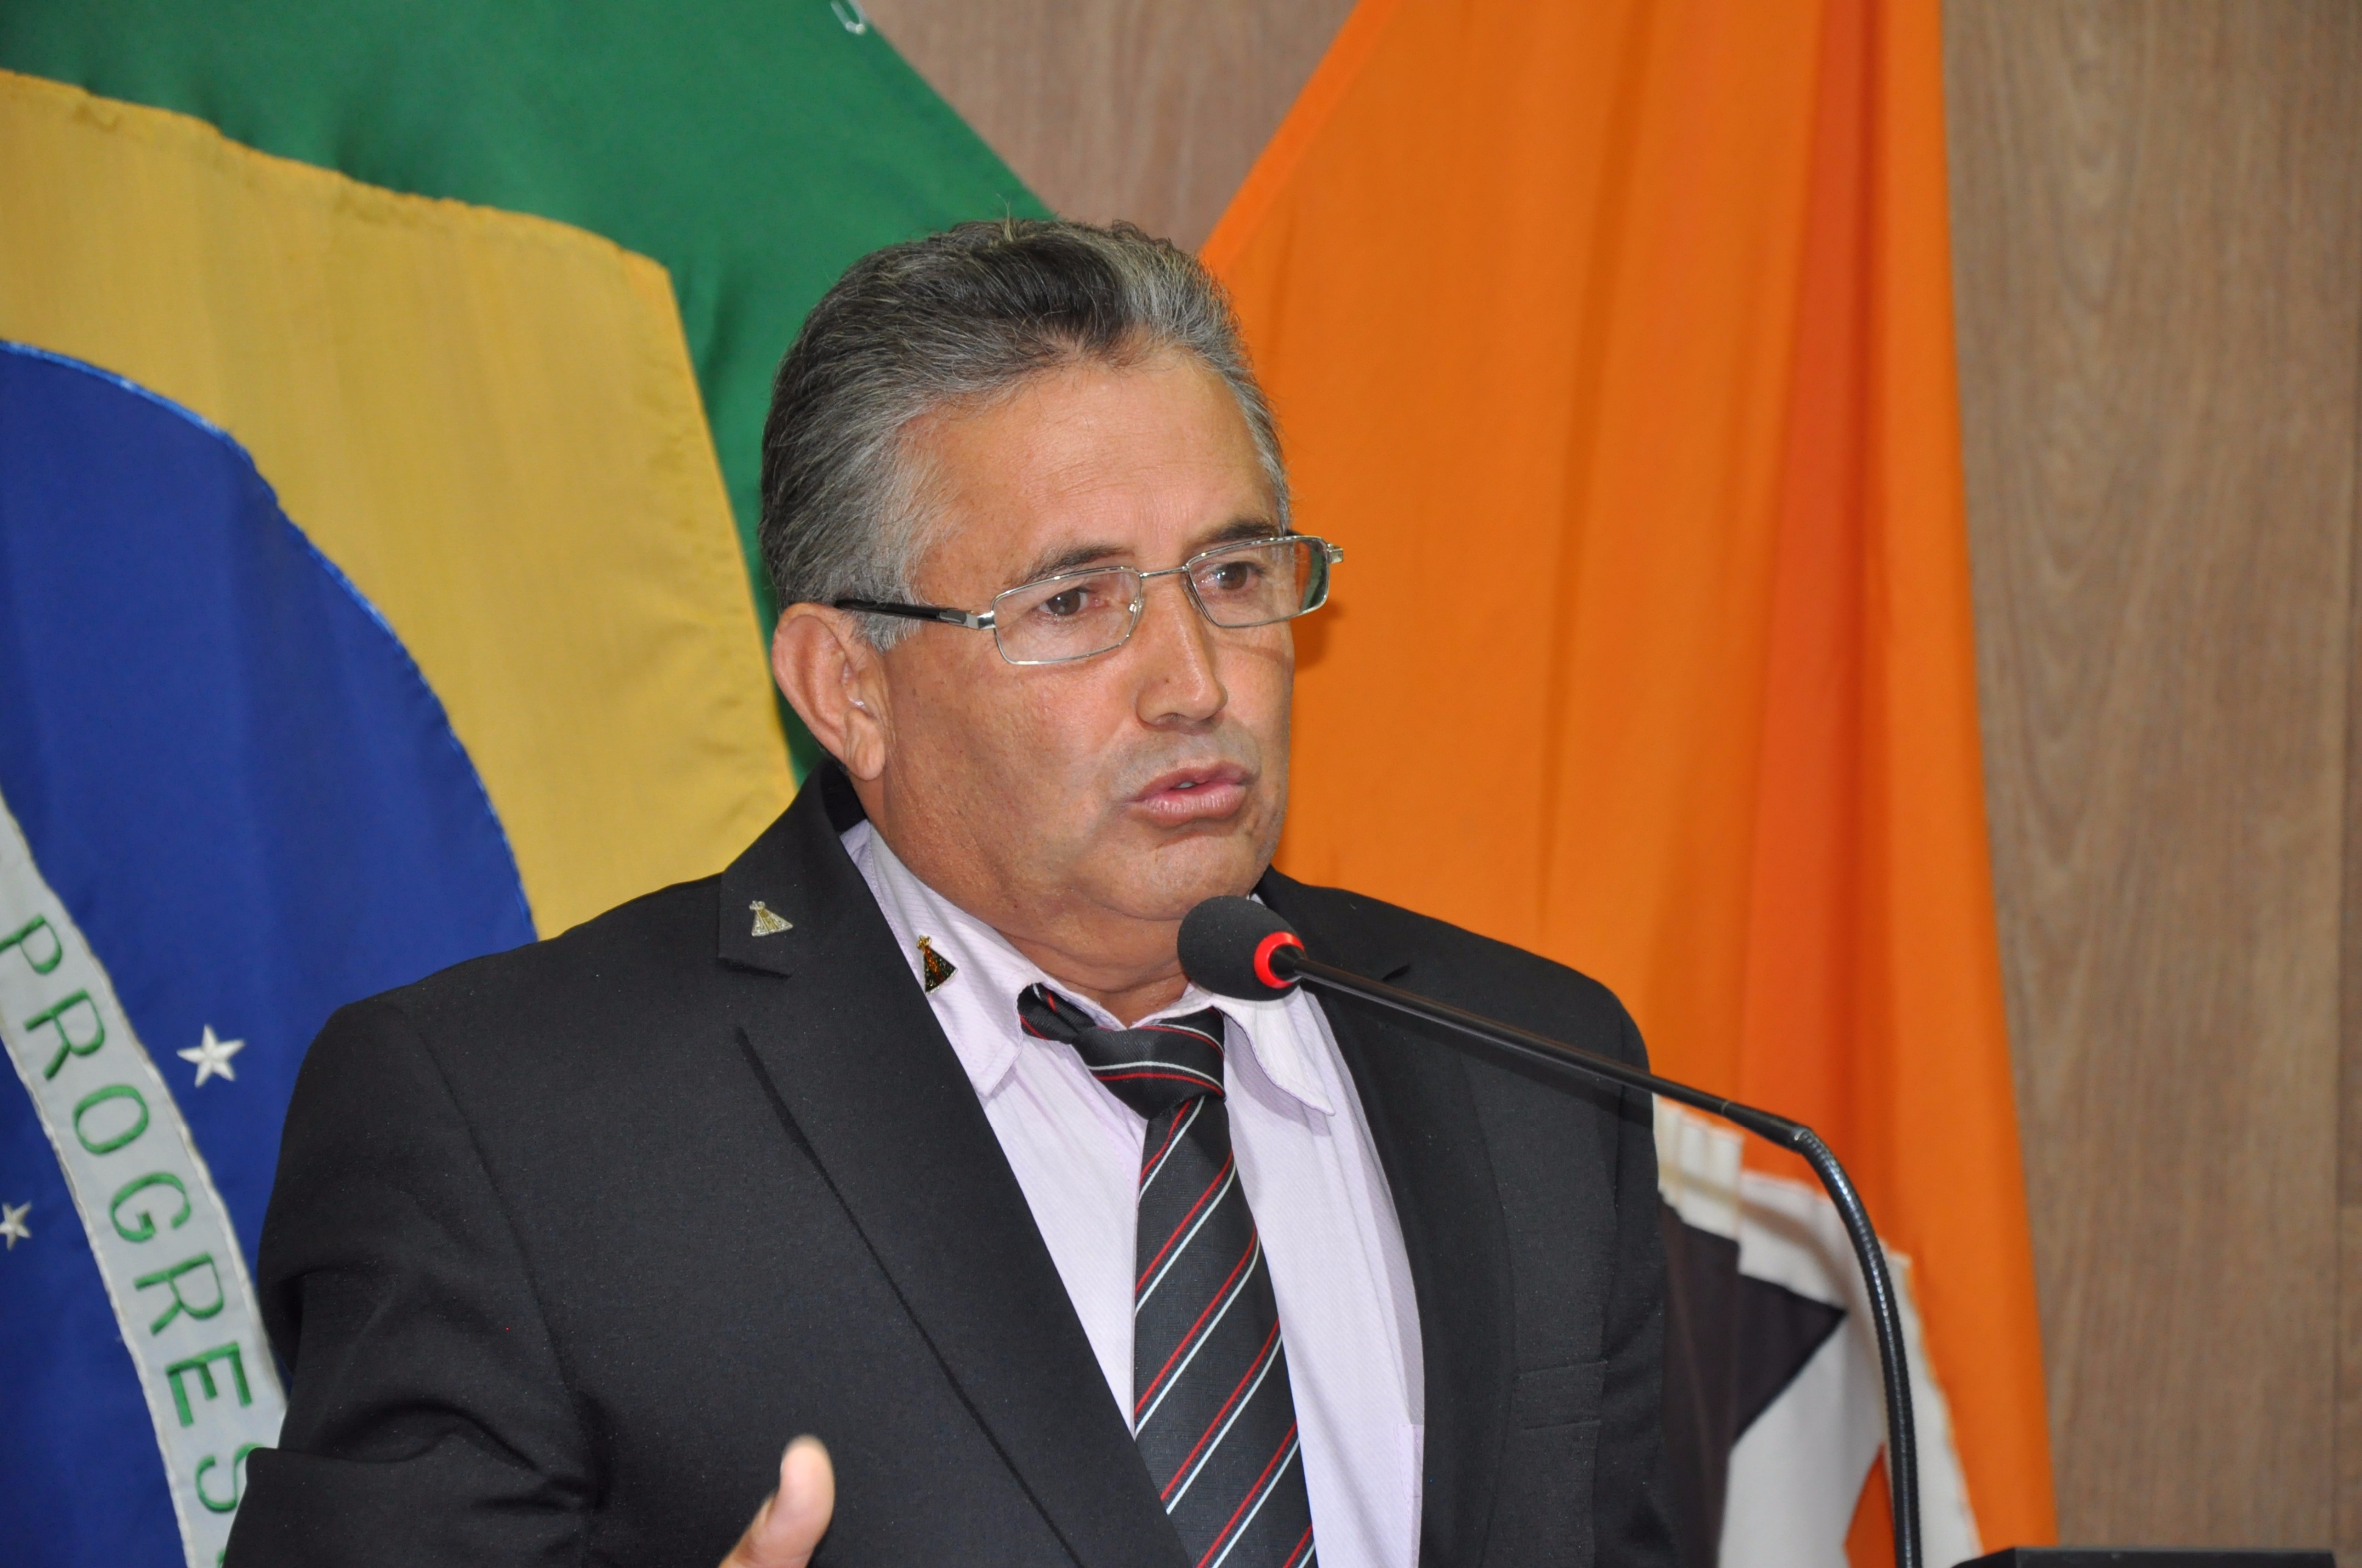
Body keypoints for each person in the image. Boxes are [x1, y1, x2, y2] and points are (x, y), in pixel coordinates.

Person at [226, 220, 1675, 1568]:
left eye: (1233, 573)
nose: (1194, 682)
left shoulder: (1533, 1069)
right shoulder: (518, 1123)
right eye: (1072, 602)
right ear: (847, 687)